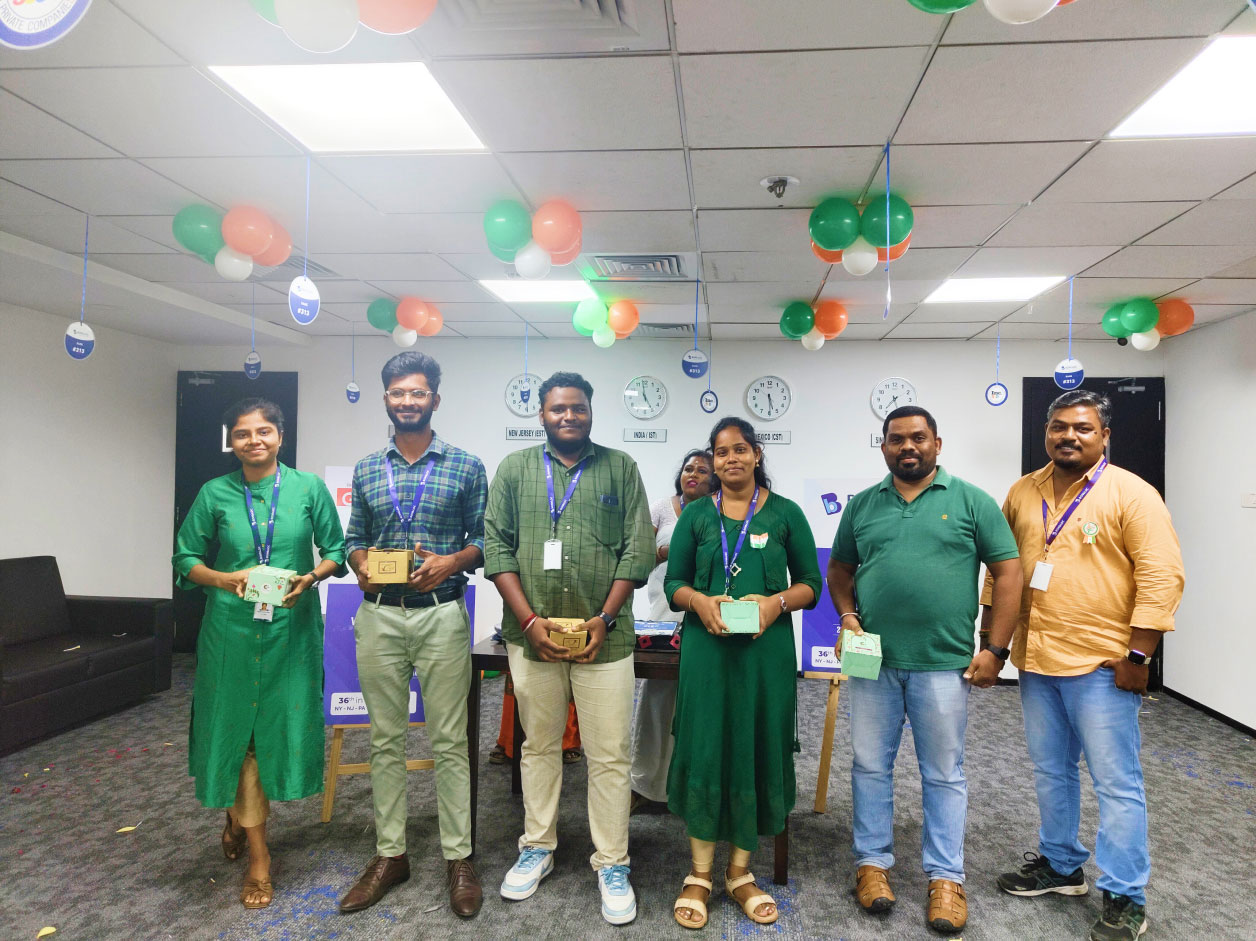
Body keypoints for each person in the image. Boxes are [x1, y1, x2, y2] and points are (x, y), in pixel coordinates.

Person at [985, 390, 1184, 941]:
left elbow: (1161, 576)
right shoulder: (1023, 491)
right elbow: (1002, 572)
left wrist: (1140, 656)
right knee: (1052, 770)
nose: (1068, 436)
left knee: (1116, 783)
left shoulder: (1132, 493)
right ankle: (1061, 865)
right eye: (1059, 427)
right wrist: (992, 643)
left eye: (1083, 428)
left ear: (1104, 436)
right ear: (1047, 432)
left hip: (1102, 662)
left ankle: (1125, 894)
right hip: (1036, 657)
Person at [827, 405, 1023, 933]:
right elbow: (839, 569)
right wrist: (848, 615)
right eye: (896, 439)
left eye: (918, 437)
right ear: (884, 447)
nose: (907, 447)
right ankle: (872, 865)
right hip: (873, 660)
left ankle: (946, 877)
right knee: (870, 765)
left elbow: (1008, 573)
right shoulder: (863, 505)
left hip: (943, 663)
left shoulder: (971, 501)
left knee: (943, 772)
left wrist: (996, 648)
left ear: (937, 443)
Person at [483, 371, 653, 925]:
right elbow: (496, 547)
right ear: (542, 414)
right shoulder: (514, 470)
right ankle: (538, 846)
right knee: (539, 746)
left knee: (609, 754)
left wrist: (605, 618)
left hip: (606, 638)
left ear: (590, 411)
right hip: (533, 638)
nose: (569, 416)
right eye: (558, 409)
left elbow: (638, 550)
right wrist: (529, 621)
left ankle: (612, 861)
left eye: (578, 408)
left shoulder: (620, 468)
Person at [172, 398, 346, 910]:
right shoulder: (215, 492)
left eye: (263, 431)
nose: (254, 440)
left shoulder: (308, 488)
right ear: (232, 442)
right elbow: (185, 557)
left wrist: (310, 577)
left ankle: (237, 814)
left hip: (292, 629)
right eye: (243, 433)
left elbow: (336, 551)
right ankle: (260, 859)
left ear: (280, 437)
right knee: (239, 735)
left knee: (275, 728)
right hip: (230, 629)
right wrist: (223, 578)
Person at [338, 351, 488, 919]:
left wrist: (452, 561)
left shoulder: (466, 466)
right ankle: (390, 854)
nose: (407, 401)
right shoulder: (367, 469)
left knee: (449, 740)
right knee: (384, 739)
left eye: (417, 392)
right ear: (386, 399)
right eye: (398, 393)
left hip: (441, 613)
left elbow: (485, 542)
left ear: (435, 400)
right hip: (378, 614)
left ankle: (459, 857)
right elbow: (353, 538)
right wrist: (360, 563)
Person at [665, 417, 821, 930]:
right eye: (721, 451)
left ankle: (740, 873)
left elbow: (811, 584)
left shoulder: (786, 513)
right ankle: (698, 874)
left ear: (756, 454)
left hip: (764, 656)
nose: (730, 458)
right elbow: (674, 583)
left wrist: (776, 603)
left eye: (739, 449)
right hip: (706, 654)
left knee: (755, 746)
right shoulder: (696, 515)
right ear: (712, 460)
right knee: (707, 747)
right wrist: (699, 601)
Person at [630, 448, 713, 809]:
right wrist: (668, 552)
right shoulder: (662, 508)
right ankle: (645, 786)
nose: (693, 474)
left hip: (705, 615)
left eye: (702, 470)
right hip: (663, 614)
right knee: (657, 697)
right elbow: (640, 557)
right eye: (688, 468)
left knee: (700, 702)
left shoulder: (721, 510)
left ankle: (691, 787)